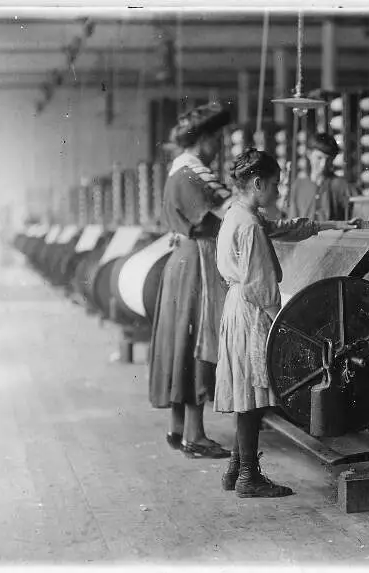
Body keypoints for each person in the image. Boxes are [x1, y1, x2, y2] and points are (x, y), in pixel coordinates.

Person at [214, 148, 357, 498]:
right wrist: (290, 325)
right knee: (254, 395)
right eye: (275, 185)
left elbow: (280, 228)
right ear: (258, 183)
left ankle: (237, 468)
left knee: (247, 393)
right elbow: (263, 288)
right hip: (251, 310)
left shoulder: (237, 213)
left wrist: (328, 226)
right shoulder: (248, 225)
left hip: (238, 307)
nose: (278, 192)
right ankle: (249, 476)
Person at [148, 103, 234, 459]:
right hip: (196, 263)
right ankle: (195, 436)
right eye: (217, 139)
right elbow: (225, 215)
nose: (220, 146)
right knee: (199, 340)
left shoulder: (180, 172)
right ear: (203, 139)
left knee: (180, 341)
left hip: (182, 262)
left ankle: (178, 427)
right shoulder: (191, 176)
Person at [287, 132, 358, 221]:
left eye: (328, 159)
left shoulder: (342, 185)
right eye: (319, 158)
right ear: (309, 154)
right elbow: (292, 224)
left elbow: (357, 213)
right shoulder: (298, 186)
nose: (323, 165)